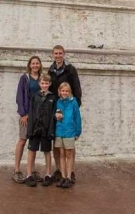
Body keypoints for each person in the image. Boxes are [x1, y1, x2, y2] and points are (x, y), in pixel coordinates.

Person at [48, 45, 82, 182]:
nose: (58, 56)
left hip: (68, 106)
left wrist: (74, 107)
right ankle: (60, 170)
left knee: (69, 146)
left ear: (64, 54)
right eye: (55, 53)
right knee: (57, 143)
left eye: (60, 53)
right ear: (53, 55)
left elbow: (77, 88)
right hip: (56, 108)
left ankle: (71, 171)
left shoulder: (70, 69)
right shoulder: (50, 70)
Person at [24, 73, 57, 188]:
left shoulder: (53, 97)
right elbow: (31, 113)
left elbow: (54, 115)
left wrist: (51, 131)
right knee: (31, 151)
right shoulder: (35, 96)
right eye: (42, 83)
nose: (44, 85)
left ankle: (48, 174)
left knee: (47, 151)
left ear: (50, 84)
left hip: (46, 129)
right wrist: (30, 130)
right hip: (35, 128)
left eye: (46, 83)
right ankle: (28, 174)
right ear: (39, 84)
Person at [13, 55, 42, 183]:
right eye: (33, 63)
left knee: (33, 143)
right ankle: (17, 169)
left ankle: (32, 169)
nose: (35, 65)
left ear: (40, 65)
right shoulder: (25, 78)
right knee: (22, 140)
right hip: (26, 115)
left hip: (37, 115)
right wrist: (23, 114)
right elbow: (20, 96)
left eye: (37, 63)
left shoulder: (42, 79)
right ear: (30, 65)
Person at [54, 82, 81, 189]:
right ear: (59, 92)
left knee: (69, 154)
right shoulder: (58, 102)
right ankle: (63, 176)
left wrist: (77, 132)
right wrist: (57, 117)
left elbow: (77, 118)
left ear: (69, 92)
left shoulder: (73, 102)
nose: (64, 93)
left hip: (69, 131)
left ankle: (69, 177)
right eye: (63, 91)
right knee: (61, 154)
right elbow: (57, 114)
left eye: (66, 91)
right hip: (60, 131)